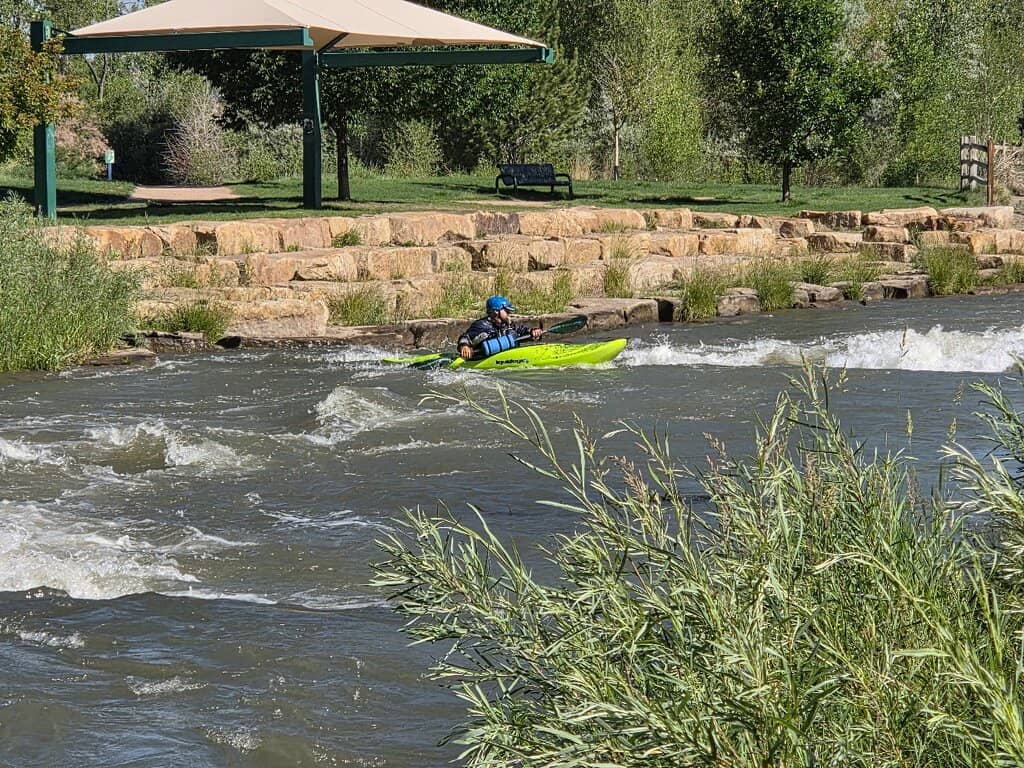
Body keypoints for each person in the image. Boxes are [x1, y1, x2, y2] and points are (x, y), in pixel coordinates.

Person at [457, 296, 542, 360]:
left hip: (507, 358)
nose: (509, 314)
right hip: (483, 360)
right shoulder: (482, 325)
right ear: (496, 312)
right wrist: (464, 346)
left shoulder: (509, 325)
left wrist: (533, 331)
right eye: (506, 311)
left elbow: (522, 331)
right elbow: (465, 337)